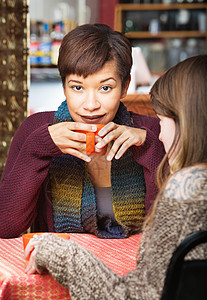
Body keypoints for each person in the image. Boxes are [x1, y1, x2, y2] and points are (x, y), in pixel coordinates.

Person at [24, 55, 207, 299]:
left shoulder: (190, 185)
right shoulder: (38, 128)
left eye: (162, 121)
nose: (160, 135)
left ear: (188, 122)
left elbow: (134, 296)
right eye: (77, 87)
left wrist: (59, 252)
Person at [0, 24, 164, 239]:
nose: (90, 105)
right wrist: (39, 149)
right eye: (77, 87)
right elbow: (5, 227)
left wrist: (149, 148)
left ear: (125, 87)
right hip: (57, 267)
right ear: (64, 87)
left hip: (131, 269)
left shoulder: (150, 132)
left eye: (105, 88)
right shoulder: (36, 130)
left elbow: (166, 232)